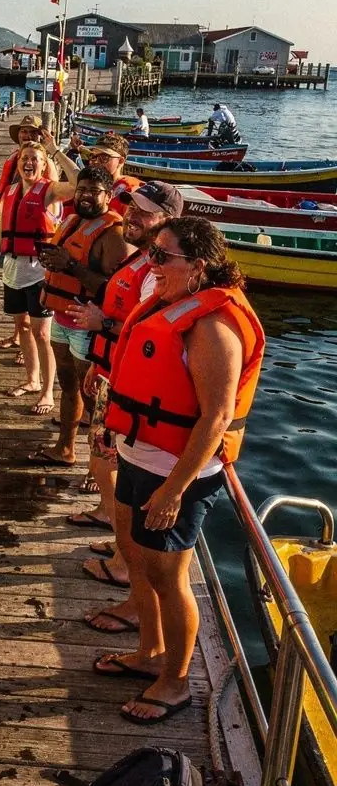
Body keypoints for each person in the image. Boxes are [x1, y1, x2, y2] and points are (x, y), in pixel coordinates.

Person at [94, 217, 265, 723]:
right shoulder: (170, 305)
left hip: (177, 472)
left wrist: (175, 489)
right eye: (151, 253)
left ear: (199, 266)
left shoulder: (214, 326)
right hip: (137, 454)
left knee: (169, 576)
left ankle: (176, 681)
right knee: (136, 557)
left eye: (163, 256)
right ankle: (149, 653)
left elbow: (214, 418)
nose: (152, 264)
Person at [58, 182, 184, 634]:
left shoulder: (159, 272)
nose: (132, 217)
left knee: (114, 472)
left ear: (167, 221)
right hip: (115, 377)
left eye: (145, 214)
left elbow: (147, 333)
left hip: (133, 399)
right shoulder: (142, 260)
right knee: (107, 467)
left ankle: (126, 571)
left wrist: (100, 324)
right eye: (131, 208)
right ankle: (120, 554)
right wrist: (99, 360)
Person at [32, 165, 132, 469]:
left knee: (94, 399)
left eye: (93, 191)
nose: (85, 196)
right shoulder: (72, 220)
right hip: (61, 318)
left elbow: (115, 291)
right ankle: (65, 448)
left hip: (86, 326)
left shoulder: (113, 234)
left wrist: (72, 267)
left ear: (108, 195)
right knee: (68, 385)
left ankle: (99, 468)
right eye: (82, 189)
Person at [0, 143, 76, 415]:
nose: (29, 163)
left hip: (40, 270)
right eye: (25, 158)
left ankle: (48, 391)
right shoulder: (10, 193)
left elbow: (79, 184)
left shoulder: (50, 191)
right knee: (22, 326)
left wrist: (55, 151)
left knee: (43, 333)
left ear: (44, 164)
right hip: (13, 268)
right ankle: (33, 380)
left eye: (35, 159)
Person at [0, 113, 76, 354]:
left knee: (37, 320)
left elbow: (50, 196)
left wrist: (54, 151)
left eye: (31, 131)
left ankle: (27, 348)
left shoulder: (43, 163)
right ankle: (19, 337)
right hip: (11, 232)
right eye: (23, 131)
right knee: (18, 300)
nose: (26, 134)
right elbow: (9, 199)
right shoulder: (15, 159)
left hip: (37, 246)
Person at [83, 132, 141, 202]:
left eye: (104, 158)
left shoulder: (129, 190)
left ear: (121, 161)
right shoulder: (89, 184)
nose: (96, 162)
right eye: (93, 157)